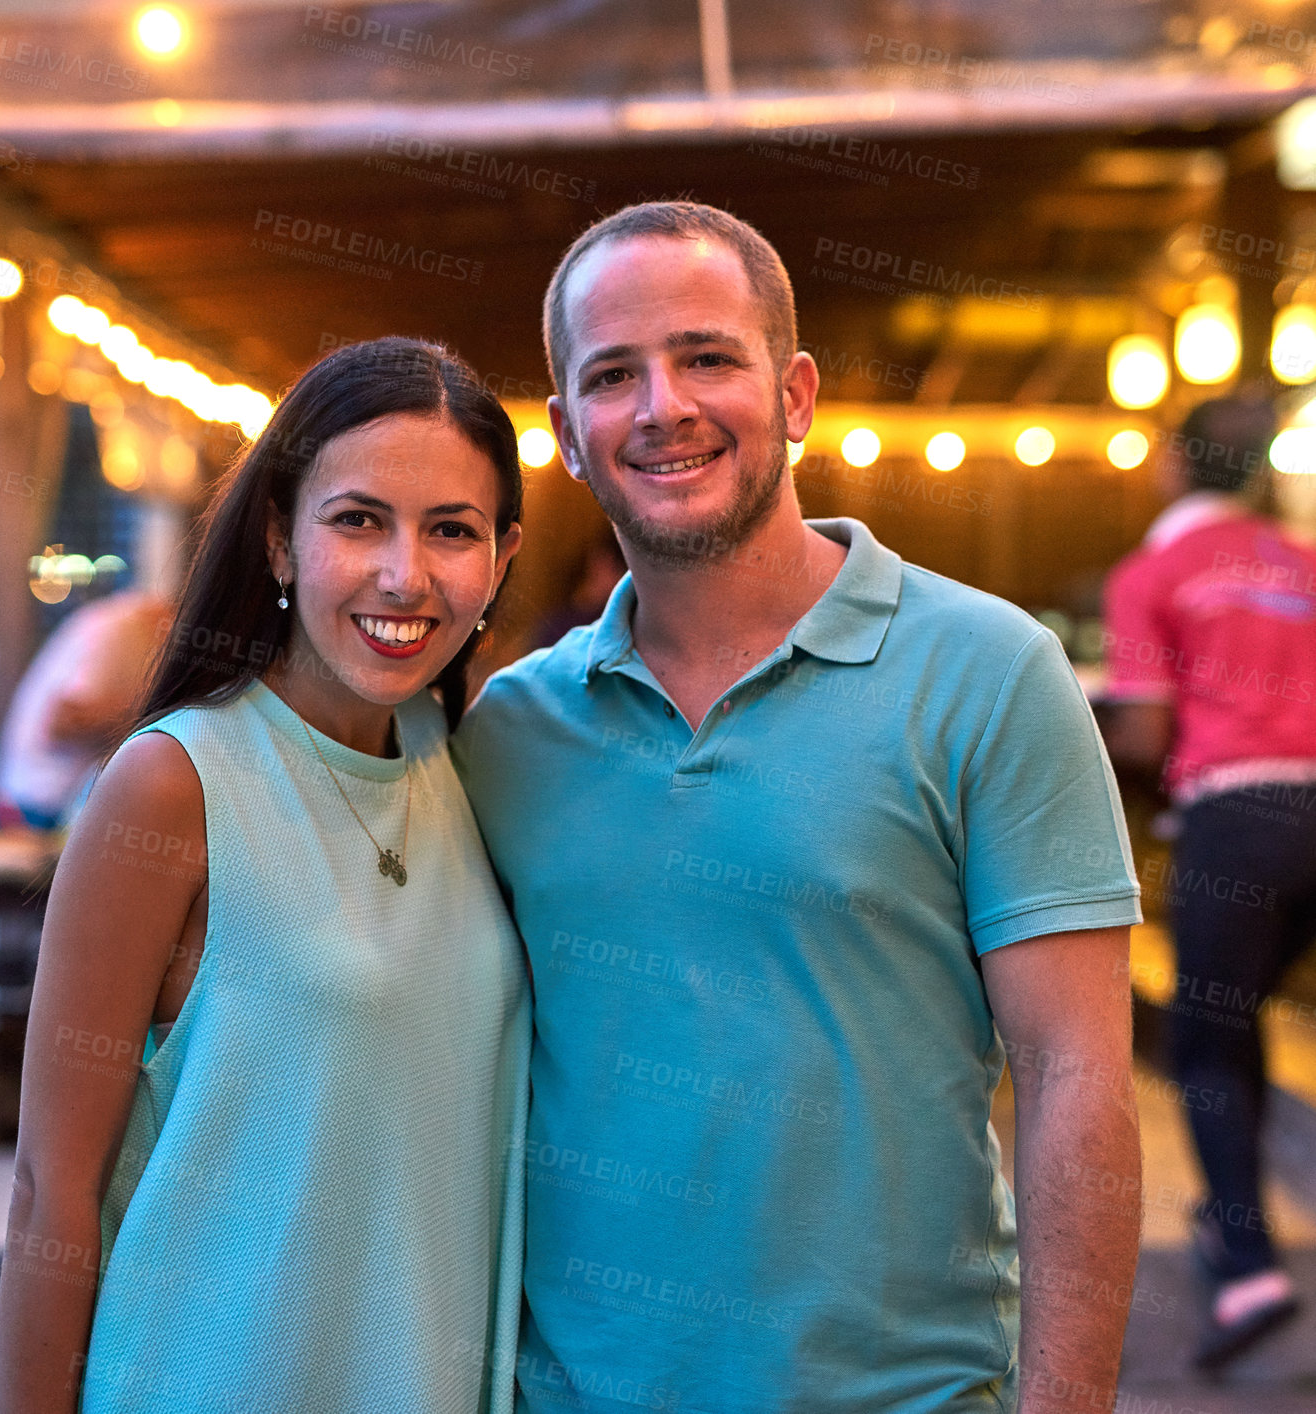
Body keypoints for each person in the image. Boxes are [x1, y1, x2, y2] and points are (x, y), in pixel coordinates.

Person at [453, 202, 1143, 1413]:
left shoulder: (988, 671)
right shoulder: (509, 729)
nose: (662, 406)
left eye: (706, 356)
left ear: (796, 392)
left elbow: (1075, 1072)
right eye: (614, 375)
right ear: (566, 433)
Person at [0, 338, 529, 1414]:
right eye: (358, 519)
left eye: (451, 531)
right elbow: (52, 1191)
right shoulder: (170, 786)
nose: (404, 574)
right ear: (281, 539)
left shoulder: (469, 761)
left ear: (502, 560)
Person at [1103, 395, 1309, 1369]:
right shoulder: (1304, 563)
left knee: (1207, 1041)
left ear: (1174, 465)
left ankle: (1246, 1270)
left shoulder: (1152, 571)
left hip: (1237, 820)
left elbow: (1143, 734)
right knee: (1251, 1031)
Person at [0, 589, 173, 830]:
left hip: (39, 802)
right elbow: (63, 723)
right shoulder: (120, 630)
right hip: (40, 809)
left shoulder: (117, 620)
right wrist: (157, 720)